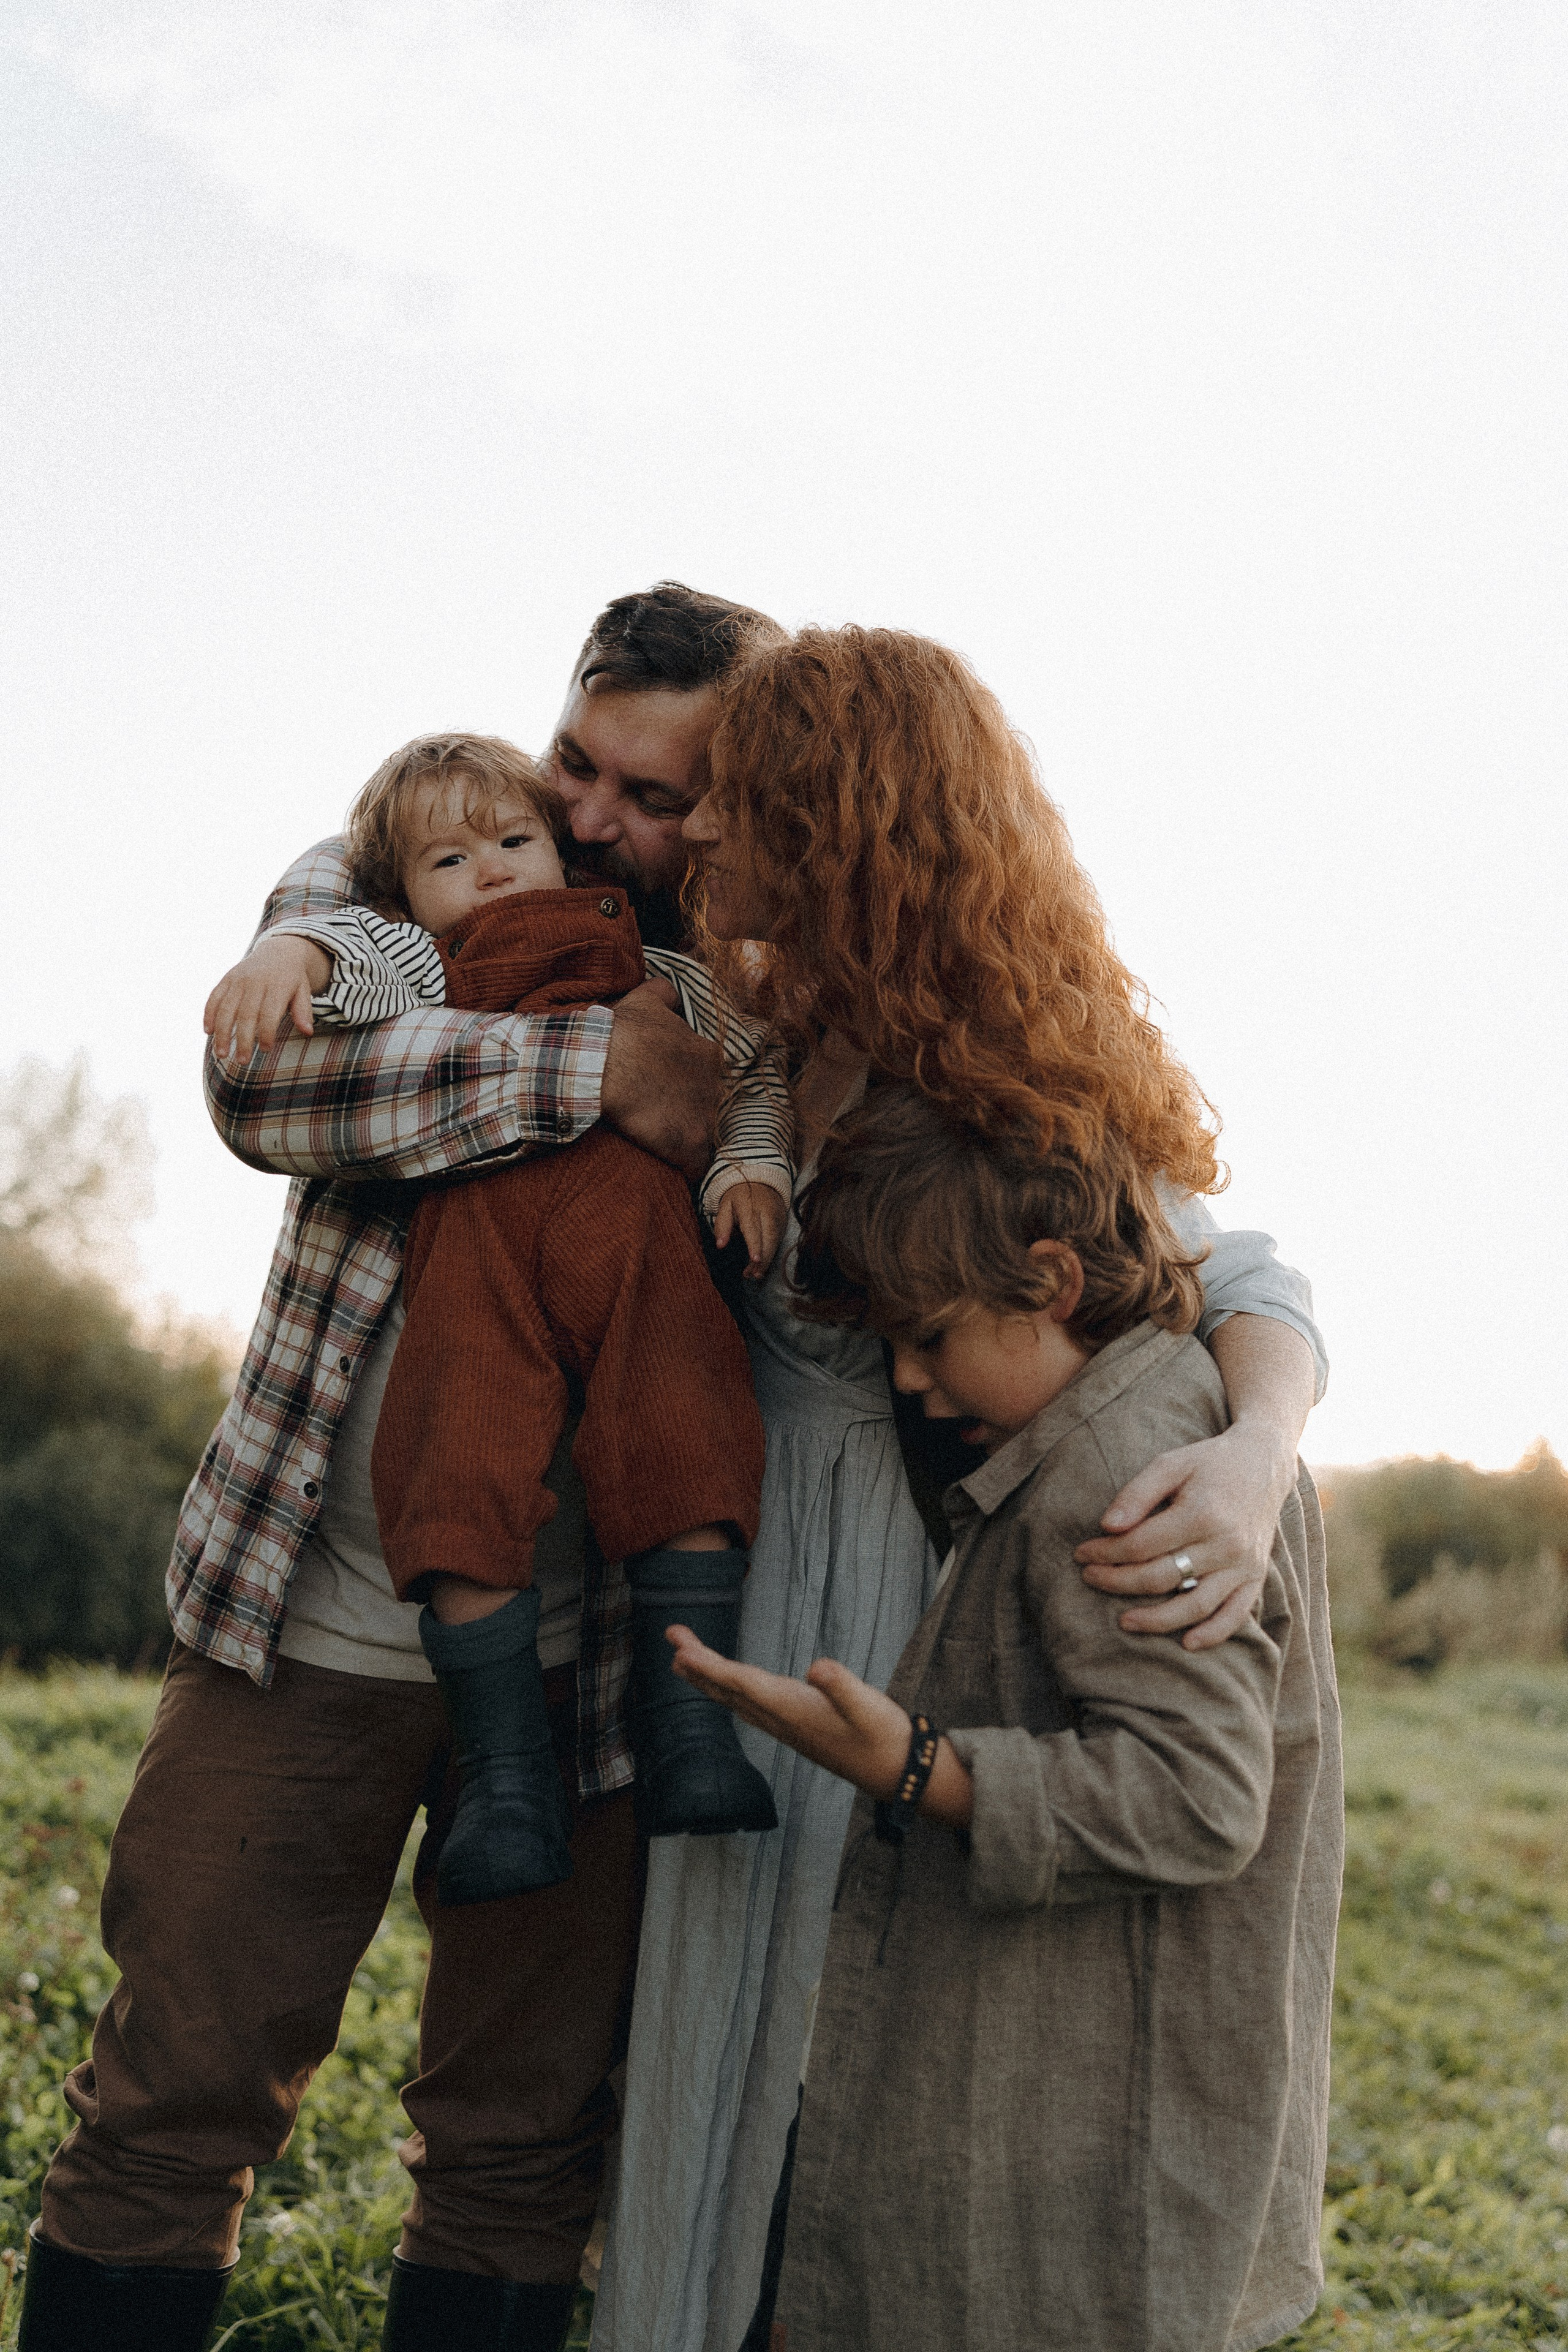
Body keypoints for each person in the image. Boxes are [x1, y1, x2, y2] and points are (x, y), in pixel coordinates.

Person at [17, 587, 1314, 2352]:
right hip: (304, 1611)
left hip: (622, 1668)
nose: (595, 825)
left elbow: (1208, 1263)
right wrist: (596, 1063)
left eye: (659, 798)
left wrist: (1255, 1450)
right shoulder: (420, 873)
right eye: (576, 767)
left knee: (524, 2146)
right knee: (174, 2097)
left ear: (747, 824)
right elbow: (271, 1101)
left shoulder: (764, 1011)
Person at [589, 622, 1330, 2352]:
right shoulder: (778, 1023)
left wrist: (1252, 1448)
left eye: (739, 804)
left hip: (902, 1593)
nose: (697, 834)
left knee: (840, 2039)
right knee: (720, 2027)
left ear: (843, 818)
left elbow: (1232, 1271)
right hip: (751, 1549)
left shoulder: (999, 1047)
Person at [671, 1082, 1341, 2352]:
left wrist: (918, 1766)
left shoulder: (1124, 1472)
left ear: (1045, 1281)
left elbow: (1197, 1801)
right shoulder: (1113, 1412)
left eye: (926, 1338)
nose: (912, 1386)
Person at [205, 729, 788, 1908]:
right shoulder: (419, 956)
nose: (495, 872)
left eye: (517, 843)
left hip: (633, 1251)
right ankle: (507, 1779)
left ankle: (689, 1729)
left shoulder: (671, 965)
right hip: (477, 1260)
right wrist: (293, 952)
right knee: (458, 1446)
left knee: (680, 1414)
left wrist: (749, 1170)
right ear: (408, 893)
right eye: (452, 862)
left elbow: (748, 1069)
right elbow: (343, 965)